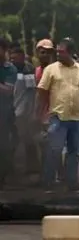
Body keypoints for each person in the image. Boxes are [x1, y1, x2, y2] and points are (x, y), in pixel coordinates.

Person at [37, 38, 79, 193]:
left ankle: (72, 183)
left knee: (74, 153)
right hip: (57, 116)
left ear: (71, 53)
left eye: (61, 52)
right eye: (57, 51)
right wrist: (39, 114)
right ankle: (48, 183)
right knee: (54, 151)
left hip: (78, 118)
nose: (58, 54)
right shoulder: (51, 69)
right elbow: (42, 93)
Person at [10, 47, 39, 175]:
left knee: (29, 141)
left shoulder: (28, 70)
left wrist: (33, 111)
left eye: (15, 58)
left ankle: (32, 169)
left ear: (22, 57)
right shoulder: (9, 70)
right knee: (14, 142)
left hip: (25, 113)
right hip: (12, 111)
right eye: (11, 58)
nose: (12, 60)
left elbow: (32, 92)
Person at [0, 38, 17, 188]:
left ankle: (4, 177)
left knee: (4, 146)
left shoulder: (10, 69)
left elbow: (8, 90)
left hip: (4, 114)